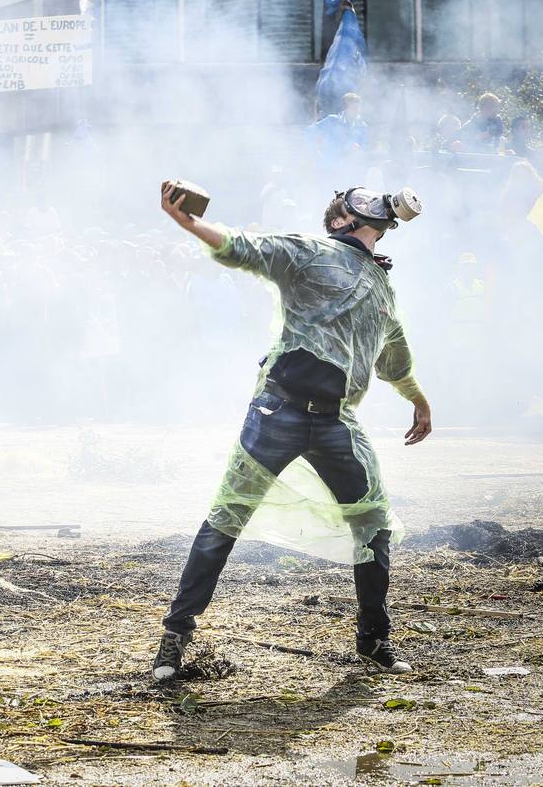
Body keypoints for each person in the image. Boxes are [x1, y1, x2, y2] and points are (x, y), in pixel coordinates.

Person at [151, 180, 432, 681]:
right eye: (359, 199)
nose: (373, 201)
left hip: (337, 421)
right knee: (225, 520)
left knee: (373, 525)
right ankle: (175, 636)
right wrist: (191, 224)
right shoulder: (310, 253)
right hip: (276, 413)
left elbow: (394, 354)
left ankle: (374, 639)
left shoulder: (382, 287)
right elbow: (246, 247)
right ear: (342, 219)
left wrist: (417, 398)